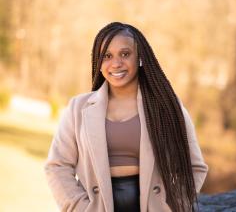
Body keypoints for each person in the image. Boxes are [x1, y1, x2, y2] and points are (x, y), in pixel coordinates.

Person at [44, 22, 208, 212]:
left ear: (139, 57)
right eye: (107, 56)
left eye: (125, 54)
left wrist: (171, 206)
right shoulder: (77, 108)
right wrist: (80, 207)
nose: (116, 63)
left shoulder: (166, 107)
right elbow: (57, 166)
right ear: (99, 62)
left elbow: (195, 167)